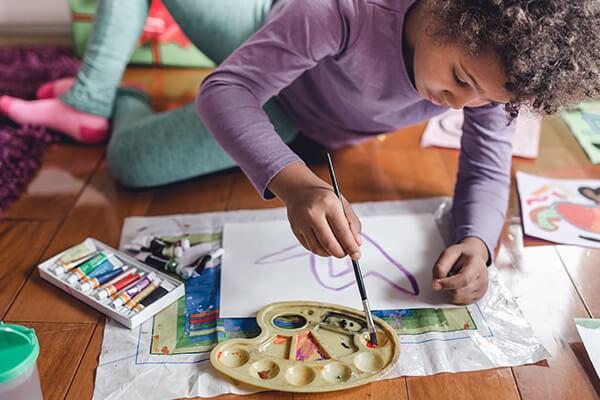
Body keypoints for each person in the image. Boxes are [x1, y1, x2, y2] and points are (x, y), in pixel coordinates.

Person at [2, 0, 599, 305]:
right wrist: (294, 182)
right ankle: (91, 96)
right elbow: (229, 89)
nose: (462, 103)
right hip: (264, 30)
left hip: (296, 116)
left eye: (485, 99)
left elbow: (488, 164)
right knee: (229, 83)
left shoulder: (493, 71)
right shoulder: (346, 8)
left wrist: (476, 241)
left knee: (131, 163)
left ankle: (124, 100)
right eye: (461, 79)